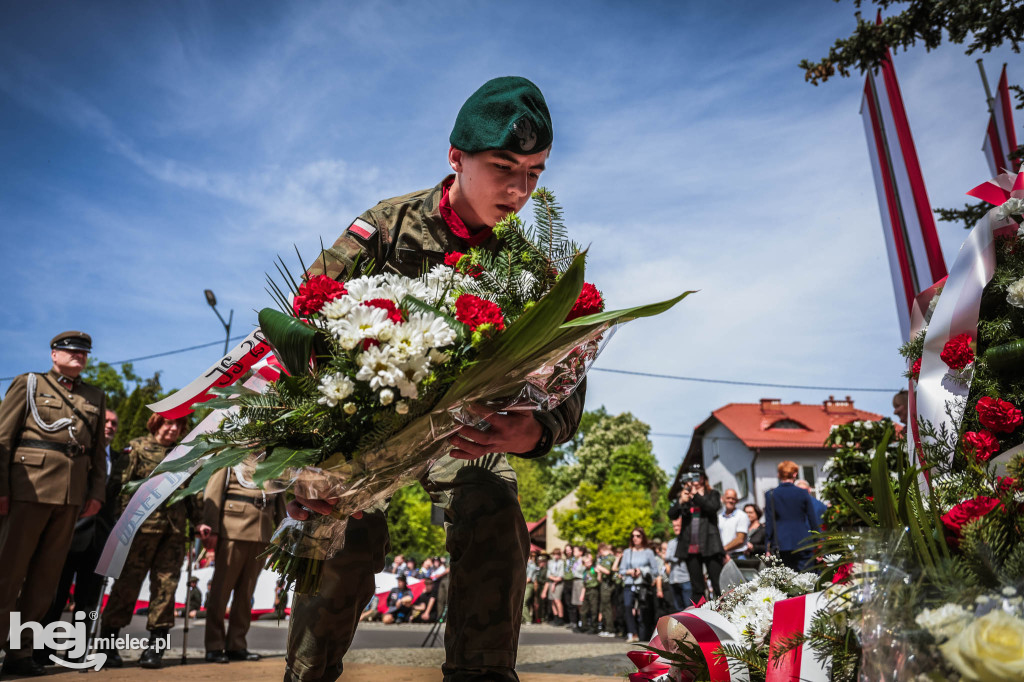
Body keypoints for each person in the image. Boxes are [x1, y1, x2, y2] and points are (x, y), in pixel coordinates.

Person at [283, 76, 585, 682]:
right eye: (504, 167)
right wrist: (299, 463)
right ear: (456, 158)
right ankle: (307, 672)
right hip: (363, 429)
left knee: (493, 507)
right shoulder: (386, 228)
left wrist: (533, 433)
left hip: (462, 436)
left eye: (535, 173)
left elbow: (568, 377)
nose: (520, 189)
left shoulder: (528, 267)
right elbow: (300, 334)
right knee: (344, 526)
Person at [0, 331, 108, 677]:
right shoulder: (29, 383)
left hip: (71, 494)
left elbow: (96, 454)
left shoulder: (95, 395)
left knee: (46, 581)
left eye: (83, 352)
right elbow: (4, 437)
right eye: (70, 350)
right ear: (53, 354)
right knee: (8, 573)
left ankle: (20, 653)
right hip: (27, 489)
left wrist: (96, 493)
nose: (78, 355)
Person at [98, 413, 196, 669]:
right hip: (138, 532)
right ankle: (108, 645)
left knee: (166, 590)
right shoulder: (137, 447)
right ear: (156, 424)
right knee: (125, 587)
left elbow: (192, 496)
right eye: (168, 423)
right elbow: (118, 487)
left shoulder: (185, 455)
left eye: (178, 425)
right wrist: (118, 523)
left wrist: (199, 523)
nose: (173, 429)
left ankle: (156, 650)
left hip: (173, 534)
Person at [37, 408, 122, 665]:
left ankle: (78, 651)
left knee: (88, 602)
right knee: (55, 596)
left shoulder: (121, 460)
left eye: (114, 423)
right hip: (67, 535)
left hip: (100, 541)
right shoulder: (77, 451)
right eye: (105, 421)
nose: (109, 426)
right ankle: (42, 652)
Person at [198, 463, 286, 663]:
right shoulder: (231, 459)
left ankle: (236, 645)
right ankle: (214, 646)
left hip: (262, 533)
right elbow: (213, 492)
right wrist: (212, 528)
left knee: (246, 594)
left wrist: (283, 534)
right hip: (232, 530)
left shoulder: (276, 460)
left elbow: (280, 499)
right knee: (220, 592)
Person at [668, 466, 724, 604]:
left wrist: (696, 495)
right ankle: (701, 617)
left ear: (703, 478)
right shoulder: (685, 496)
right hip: (691, 547)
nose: (694, 480)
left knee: (718, 584)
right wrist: (681, 501)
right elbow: (671, 514)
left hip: (710, 544)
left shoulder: (713, 494)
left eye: (697, 476)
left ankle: (724, 613)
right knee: (697, 587)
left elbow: (712, 508)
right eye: (691, 477)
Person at [764, 461, 821, 572]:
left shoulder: (770, 495)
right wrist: (818, 542)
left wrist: (767, 546)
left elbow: (769, 522)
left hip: (781, 543)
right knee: (807, 579)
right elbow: (813, 520)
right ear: (795, 474)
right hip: (803, 542)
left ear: (779, 475)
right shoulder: (803, 493)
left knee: (787, 583)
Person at [619, 527, 659, 643]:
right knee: (627, 606)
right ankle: (633, 633)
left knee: (643, 610)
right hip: (629, 583)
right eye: (633, 536)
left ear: (643, 537)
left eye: (638, 536)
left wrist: (641, 570)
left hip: (643, 585)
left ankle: (644, 634)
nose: (635, 538)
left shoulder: (648, 552)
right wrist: (629, 572)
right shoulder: (627, 552)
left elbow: (655, 571)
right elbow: (621, 570)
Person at [664, 517, 693, 611]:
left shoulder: (689, 540)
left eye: (678, 526)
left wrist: (676, 556)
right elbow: (667, 557)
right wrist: (678, 556)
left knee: (689, 609)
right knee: (678, 610)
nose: (675, 528)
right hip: (673, 580)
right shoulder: (671, 542)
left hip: (686, 579)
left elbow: (684, 555)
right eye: (674, 526)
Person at [718, 488, 749, 563]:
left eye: (733, 499)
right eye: (728, 498)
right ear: (723, 499)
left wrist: (723, 550)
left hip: (738, 556)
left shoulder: (742, 516)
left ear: (737, 501)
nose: (731, 501)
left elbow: (740, 539)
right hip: (723, 556)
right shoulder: (719, 517)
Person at [594, 543, 617, 637]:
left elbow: (607, 571)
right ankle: (605, 627)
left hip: (608, 585)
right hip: (603, 584)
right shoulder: (604, 559)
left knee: (607, 607)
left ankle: (610, 629)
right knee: (603, 607)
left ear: (601, 550)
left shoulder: (609, 558)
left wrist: (599, 568)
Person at [576, 553, 600, 633]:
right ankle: (584, 626)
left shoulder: (594, 569)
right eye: (586, 562)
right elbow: (584, 584)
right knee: (583, 610)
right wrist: (582, 595)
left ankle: (594, 627)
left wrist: (599, 573)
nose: (588, 563)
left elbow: (599, 580)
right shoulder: (585, 572)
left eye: (589, 562)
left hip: (593, 590)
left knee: (594, 610)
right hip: (587, 590)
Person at [545, 547, 566, 625]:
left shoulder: (562, 562)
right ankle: (555, 617)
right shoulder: (550, 562)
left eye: (558, 554)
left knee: (557, 600)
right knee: (552, 600)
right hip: (551, 581)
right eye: (555, 554)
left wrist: (555, 582)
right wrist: (553, 579)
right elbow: (548, 574)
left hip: (558, 583)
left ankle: (561, 617)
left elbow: (561, 575)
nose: (556, 556)